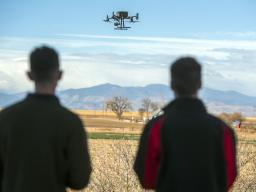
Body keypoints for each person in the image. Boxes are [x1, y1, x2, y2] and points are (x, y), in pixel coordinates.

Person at [134, 57, 237, 192]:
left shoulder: (156, 127)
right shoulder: (222, 130)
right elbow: (228, 178)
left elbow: (147, 178)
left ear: (171, 84)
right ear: (200, 84)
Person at [0, 46, 91, 192]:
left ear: (29, 75)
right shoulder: (71, 122)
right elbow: (79, 180)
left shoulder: (5, 118)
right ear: (60, 74)